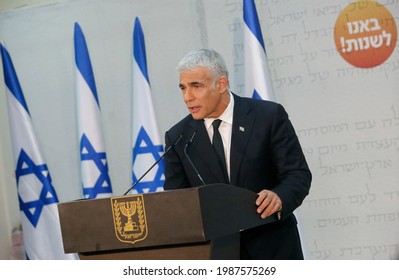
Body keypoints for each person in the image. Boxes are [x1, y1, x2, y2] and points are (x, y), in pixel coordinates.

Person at [163, 48, 311, 260]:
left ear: (221, 84)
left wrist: (279, 196)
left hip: (272, 247)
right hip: (217, 254)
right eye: (183, 88)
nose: (187, 97)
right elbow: (178, 200)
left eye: (196, 86)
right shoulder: (178, 137)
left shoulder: (268, 117)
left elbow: (297, 175)